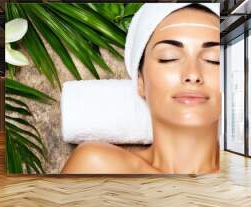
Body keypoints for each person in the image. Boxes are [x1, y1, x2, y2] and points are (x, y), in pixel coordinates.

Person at [61, 3, 221, 174]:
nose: (192, 74)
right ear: (140, 82)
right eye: (169, 58)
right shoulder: (97, 167)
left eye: (214, 59)